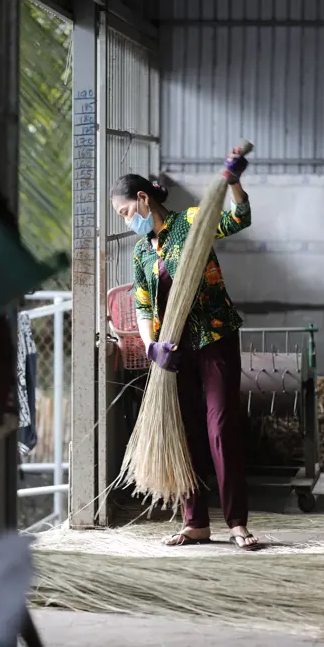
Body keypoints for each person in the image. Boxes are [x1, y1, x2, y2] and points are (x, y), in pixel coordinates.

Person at [110, 148, 258, 549]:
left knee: (220, 429)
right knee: (184, 431)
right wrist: (152, 346)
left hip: (214, 339)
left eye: (126, 212)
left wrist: (233, 184)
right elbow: (142, 305)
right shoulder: (141, 252)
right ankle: (195, 523)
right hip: (174, 353)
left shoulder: (191, 223)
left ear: (143, 200)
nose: (127, 221)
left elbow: (239, 219)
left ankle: (237, 522)